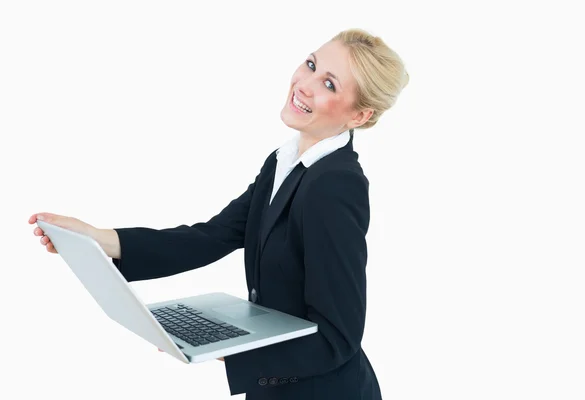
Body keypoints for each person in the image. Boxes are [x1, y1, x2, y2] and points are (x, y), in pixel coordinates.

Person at [29, 28, 409, 400]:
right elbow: (213, 236)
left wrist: (228, 345)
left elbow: (338, 339)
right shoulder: (285, 161)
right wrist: (98, 238)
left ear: (360, 115)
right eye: (311, 65)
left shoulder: (336, 184)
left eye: (329, 84)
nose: (305, 84)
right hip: (278, 385)